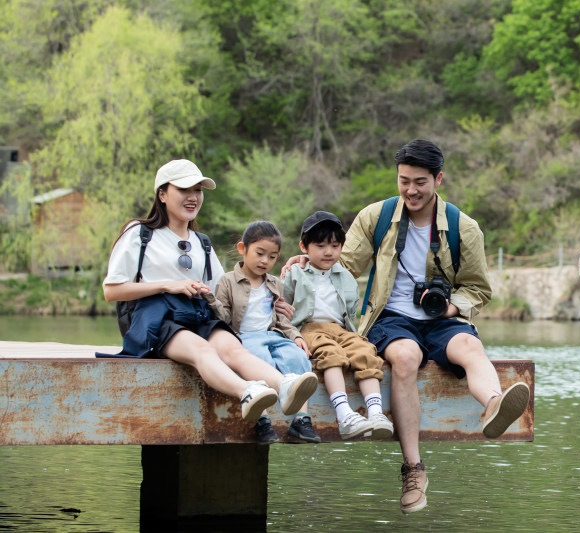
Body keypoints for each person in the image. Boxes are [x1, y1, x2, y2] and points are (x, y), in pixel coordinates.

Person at [283, 140, 530, 514]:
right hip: (390, 317)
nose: (411, 190)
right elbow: (342, 269)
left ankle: (494, 404)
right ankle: (413, 469)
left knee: (470, 349)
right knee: (405, 356)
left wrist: (451, 307)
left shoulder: (464, 228)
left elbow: (478, 289)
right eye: (403, 181)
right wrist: (309, 263)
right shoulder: (376, 218)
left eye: (420, 182)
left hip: (442, 317)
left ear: (438, 179)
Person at [103, 159, 318, 438]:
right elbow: (112, 290)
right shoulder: (140, 234)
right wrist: (168, 286)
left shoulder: (201, 242)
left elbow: (224, 290)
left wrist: (275, 290)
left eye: (198, 190)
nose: (193, 197)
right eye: (184, 189)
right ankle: (248, 391)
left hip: (194, 313)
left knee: (233, 348)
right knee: (203, 351)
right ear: (162, 194)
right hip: (153, 317)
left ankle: (285, 385)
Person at [206, 220, 322, 444]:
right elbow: (222, 320)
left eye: (272, 256)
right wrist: (209, 299)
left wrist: (295, 335)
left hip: (271, 335)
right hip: (243, 338)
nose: (264, 261)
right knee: (260, 360)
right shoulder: (228, 282)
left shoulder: (274, 283)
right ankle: (262, 420)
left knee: (296, 357)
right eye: (259, 253)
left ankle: (301, 420)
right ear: (243, 249)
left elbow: (279, 320)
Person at [283, 211, 394, 441]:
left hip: (340, 328)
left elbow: (350, 311)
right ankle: (344, 415)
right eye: (321, 245)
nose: (328, 252)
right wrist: (292, 335)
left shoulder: (346, 278)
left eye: (335, 245)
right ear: (304, 247)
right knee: (331, 354)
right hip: (309, 327)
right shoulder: (295, 273)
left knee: (364, 349)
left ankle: (375, 413)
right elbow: (283, 306)